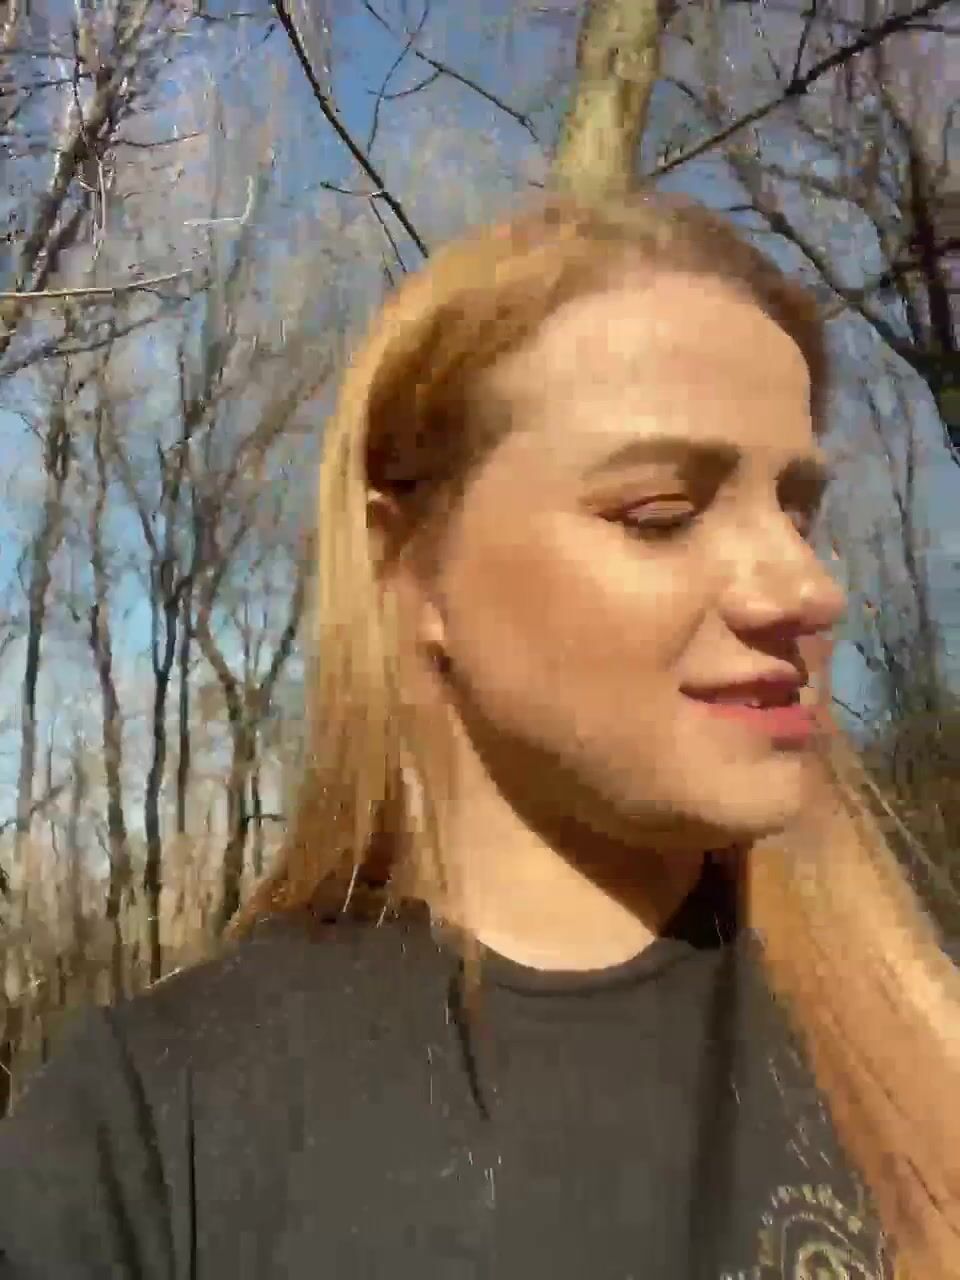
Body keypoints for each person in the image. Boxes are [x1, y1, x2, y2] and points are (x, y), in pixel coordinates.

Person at [1, 190, 957, 1280]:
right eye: (662, 513)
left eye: (796, 509)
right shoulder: (148, 1134)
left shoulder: (917, 1042)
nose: (808, 587)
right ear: (410, 569)